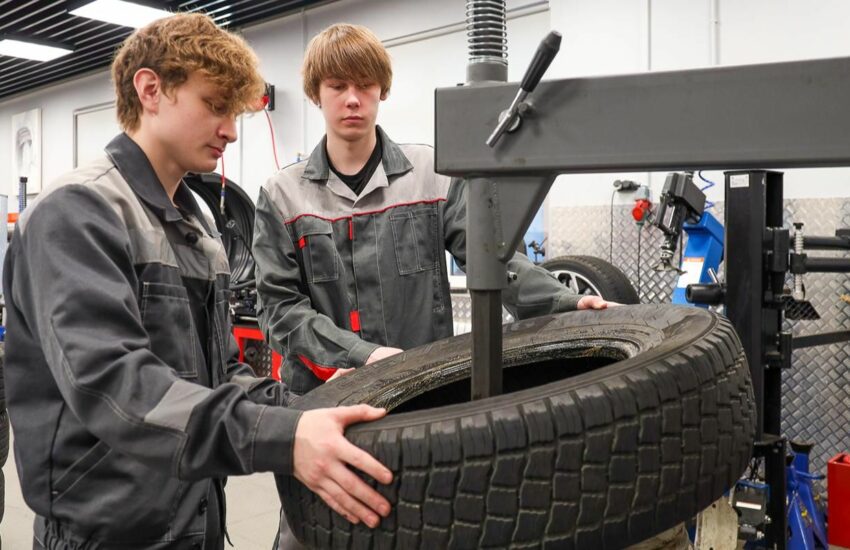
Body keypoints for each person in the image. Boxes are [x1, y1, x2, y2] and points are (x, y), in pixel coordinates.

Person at [2, 14, 392, 550]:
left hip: (192, 519)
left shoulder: (196, 229)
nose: (231, 130)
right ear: (151, 89)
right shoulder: (78, 212)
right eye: (215, 106)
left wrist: (315, 407)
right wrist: (283, 438)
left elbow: (221, 375)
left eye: (234, 113)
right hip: (109, 534)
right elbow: (113, 386)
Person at [252, 23, 617, 549]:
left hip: (422, 402)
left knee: (425, 530)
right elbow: (280, 312)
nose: (352, 99)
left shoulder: (432, 173)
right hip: (321, 408)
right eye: (336, 86)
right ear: (315, 94)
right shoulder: (281, 194)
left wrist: (565, 302)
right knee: (312, 538)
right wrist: (363, 354)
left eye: (365, 85)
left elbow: (492, 260)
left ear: (383, 90)